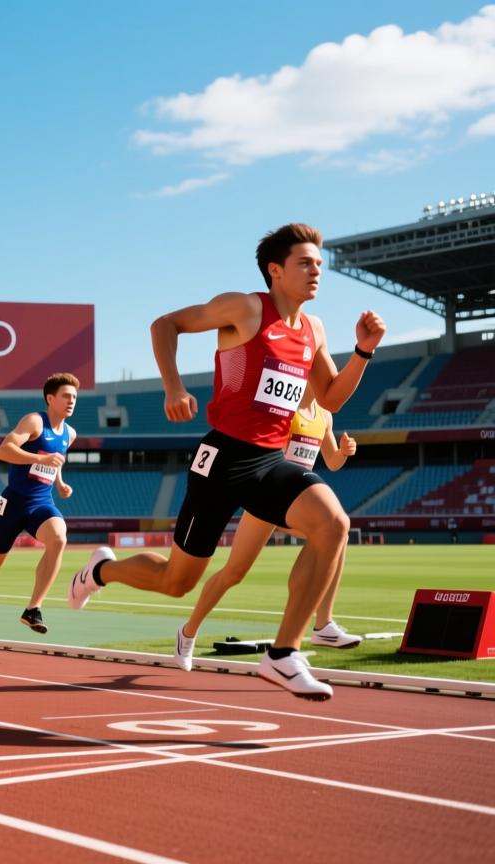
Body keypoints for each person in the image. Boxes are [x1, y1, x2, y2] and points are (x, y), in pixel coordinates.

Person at [68, 223, 385, 700]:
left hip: (269, 461)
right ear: (276, 271)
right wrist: (174, 387)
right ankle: (101, 571)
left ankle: (283, 654)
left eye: (319, 264)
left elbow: (331, 395)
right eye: (304, 263)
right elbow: (164, 325)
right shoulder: (246, 307)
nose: (315, 271)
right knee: (177, 582)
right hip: (222, 458)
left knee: (333, 523)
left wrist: (363, 351)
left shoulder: (313, 329)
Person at [174, 384, 361, 671]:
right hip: (265, 495)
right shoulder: (284, 409)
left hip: (295, 503)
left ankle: (323, 624)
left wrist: (344, 452)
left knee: (334, 531)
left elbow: (332, 461)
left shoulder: (324, 416)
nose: (328, 381)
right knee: (233, 574)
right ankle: (188, 632)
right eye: (323, 375)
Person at [0, 372, 80, 633]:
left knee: (59, 538)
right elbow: (3, 450)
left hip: (41, 503)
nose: (71, 401)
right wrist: (41, 461)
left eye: (75, 397)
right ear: (50, 398)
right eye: (66, 396)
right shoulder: (34, 421)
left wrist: (59, 482)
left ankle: (33, 608)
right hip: (14, 502)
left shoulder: (70, 433)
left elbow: (55, 458)